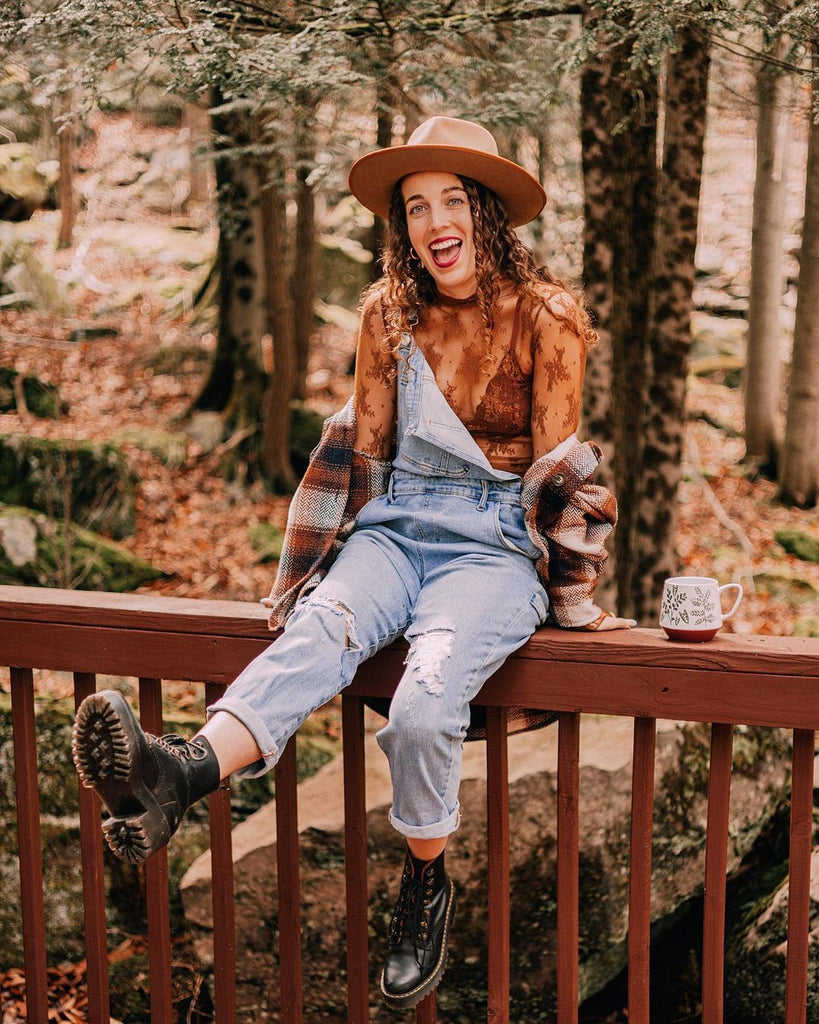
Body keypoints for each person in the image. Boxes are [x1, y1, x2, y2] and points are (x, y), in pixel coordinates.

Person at [72, 115, 635, 1010]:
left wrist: (568, 592)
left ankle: (425, 880)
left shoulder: (548, 316)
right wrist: (320, 574)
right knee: (319, 633)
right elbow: (365, 458)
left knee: (422, 704)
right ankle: (174, 775)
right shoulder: (388, 314)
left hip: (490, 545)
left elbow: (554, 475)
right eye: (416, 206)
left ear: (486, 214)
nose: (434, 220)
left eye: (453, 200)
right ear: (402, 226)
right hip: (396, 526)